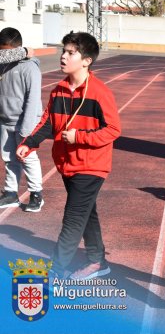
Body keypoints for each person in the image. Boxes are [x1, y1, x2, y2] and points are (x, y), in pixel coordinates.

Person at [17, 31, 121, 279]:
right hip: (67, 164)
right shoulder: (59, 90)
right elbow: (47, 123)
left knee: (73, 218)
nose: (63, 56)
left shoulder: (99, 92)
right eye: (63, 51)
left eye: (70, 53)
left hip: (91, 166)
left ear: (86, 60)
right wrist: (28, 143)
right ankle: (98, 262)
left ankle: (55, 271)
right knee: (87, 213)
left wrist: (80, 137)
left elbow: (114, 130)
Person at [0, 28, 45, 212]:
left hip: (24, 122)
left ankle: (36, 194)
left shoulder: (30, 68)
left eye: (5, 50)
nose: (3, 54)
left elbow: (32, 100)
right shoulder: (3, 65)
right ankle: (11, 193)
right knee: (9, 158)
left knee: (27, 157)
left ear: (14, 48)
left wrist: (26, 129)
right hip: (5, 120)